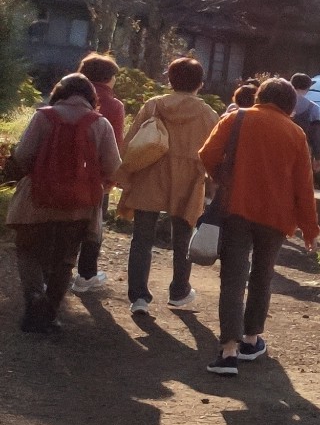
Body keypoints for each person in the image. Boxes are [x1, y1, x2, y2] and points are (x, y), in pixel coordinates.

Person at [197, 78, 320, 376]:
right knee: (262, 275)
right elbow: (303, 186)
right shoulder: (296, 133)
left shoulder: (237, 118)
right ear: (291, 105)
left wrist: (222, 179)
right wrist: (310, 229)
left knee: (233, 278)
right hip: (276, 217)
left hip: (237, 208)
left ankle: (228, 351)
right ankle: (252, 340)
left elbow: (206, 154)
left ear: (259, 97)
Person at [4, 75, 122, 333]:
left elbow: (23, 156)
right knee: (65, 260)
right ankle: (51, 312)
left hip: (37, 200)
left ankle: (35, 298)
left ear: (59, 92)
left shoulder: (43, 116)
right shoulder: (100, 123)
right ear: (92, 98)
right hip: (80, 206)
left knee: (28, 251)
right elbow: (113, 166)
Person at [117, 56, 220, 315]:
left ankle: (139, 297)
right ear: (200, 84)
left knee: (141, 237)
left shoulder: (154, 105)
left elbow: (131, 142)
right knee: (183, 235)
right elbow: (214, 153)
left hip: (150, 172)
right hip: (187, 177)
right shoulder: (207, 113)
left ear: (169, 80)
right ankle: (179, 291)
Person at [71, 52, 126, 292]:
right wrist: (111, 178)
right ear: (109, 78)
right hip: (95, 177)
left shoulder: (61, 98)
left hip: (58, 171)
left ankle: (52, 272)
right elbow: (114, 144)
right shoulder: (113, 105)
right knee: (93, 226)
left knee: (60, 223)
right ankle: (86, 275)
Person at [288, 72, 320, 161]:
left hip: (280, 146)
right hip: (302, 150)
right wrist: (318, 157)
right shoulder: (313, 108)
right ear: (307, 88)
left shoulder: (280, 102)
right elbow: (316, 135)